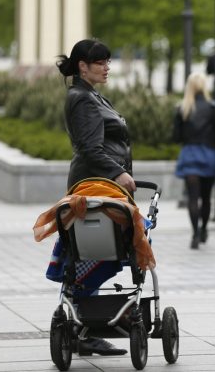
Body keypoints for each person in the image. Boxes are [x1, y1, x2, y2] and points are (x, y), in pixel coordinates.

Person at [54, 38, 133, 356]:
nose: (107, 67)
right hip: (95, 187)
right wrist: (118, 173)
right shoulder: (82, 98)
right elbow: (89, 147)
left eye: (108, 61)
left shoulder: (91, 95)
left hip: (101, 185)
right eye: (100, 62)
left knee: (96, 251)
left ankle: (85, 326)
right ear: (82, 66)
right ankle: (84, 328)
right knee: (94, 251)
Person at [172, 71, 215, 249]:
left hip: (189, 154)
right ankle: (204, 229)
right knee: (206, 197)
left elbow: (176, 136)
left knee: (193, 198)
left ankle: (194, 233)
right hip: (208, 154)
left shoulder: (182, 108)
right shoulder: (212, 107)